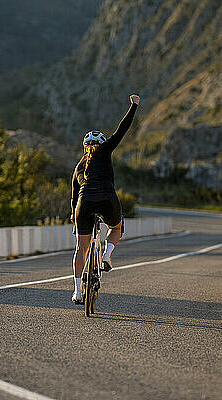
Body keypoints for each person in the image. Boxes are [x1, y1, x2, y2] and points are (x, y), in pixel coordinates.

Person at [70, 94, 140, 304]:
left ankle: (77, 291)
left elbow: (74, 197)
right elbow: (122, 129)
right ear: (100, 144)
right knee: (117, 227)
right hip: (108, 198)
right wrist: (134, 106)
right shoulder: (105, 149)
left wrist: (74, 217)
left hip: (84, 203)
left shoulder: (79, 167)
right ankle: (107, 254)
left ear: (85, 147)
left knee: (80, 249)